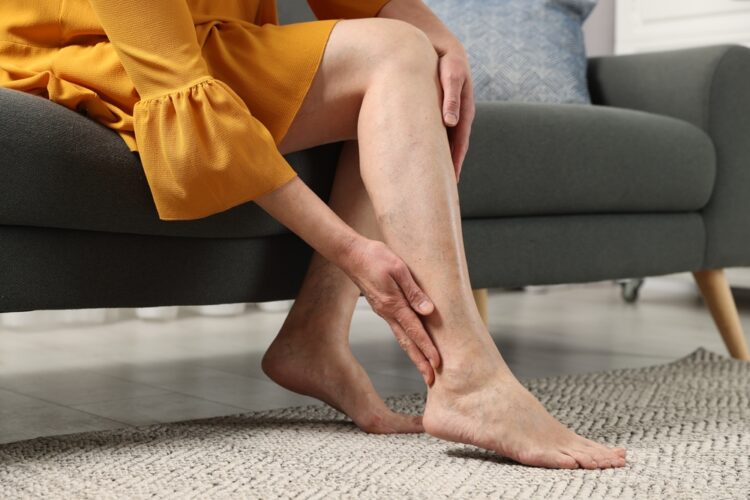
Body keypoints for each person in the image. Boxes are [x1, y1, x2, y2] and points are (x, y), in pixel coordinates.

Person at [0, 0, 626, 469]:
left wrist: (443, 38)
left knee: (405, 54)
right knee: (391, 57)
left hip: (215, 40)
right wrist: (351, 251)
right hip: (85, 47)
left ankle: (315, 334)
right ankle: (468, 376)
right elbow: (180, 92)